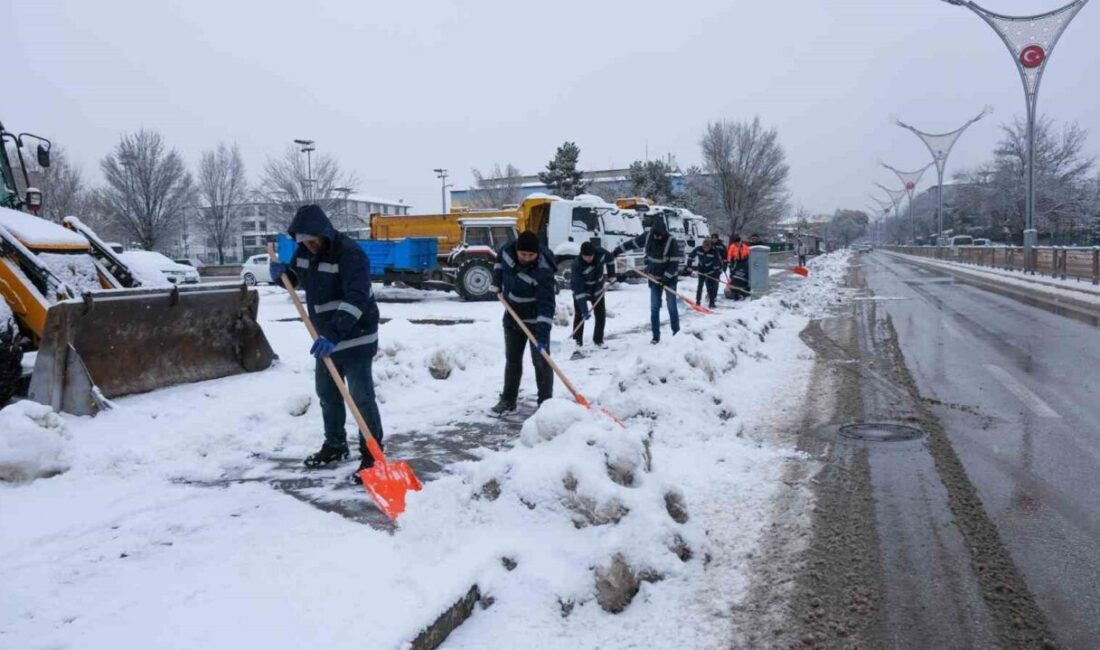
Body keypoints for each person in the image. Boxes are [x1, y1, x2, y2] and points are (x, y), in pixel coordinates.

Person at [268, 205, 383, 480]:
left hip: (356, 334)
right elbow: (300, 279)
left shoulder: (350, 253)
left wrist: (333, 333)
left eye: (312, 240)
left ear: (323, 233)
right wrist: (284, 276)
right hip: (325, 338)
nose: (308, 245)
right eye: (303, 241)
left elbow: (356, 297)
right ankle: (335, 445)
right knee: (328, 394)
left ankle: (372, 455)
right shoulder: (304, 251)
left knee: (361, 397)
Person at [490, 230, 557, 415]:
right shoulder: (506, 251)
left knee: (541, 361)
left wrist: (541, 336)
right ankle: (508, 400)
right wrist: (496, 281)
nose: (526, 258)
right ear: (516, 250)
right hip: (512, 317)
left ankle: (546, 404)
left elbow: (546, 306)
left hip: (535, 320)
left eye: (531, 255)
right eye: (523, 254)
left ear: (537, 253)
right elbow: (499, 264)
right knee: (512, 359)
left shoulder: (543, 271)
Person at [613, 218, 683, 344]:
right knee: (654, 307)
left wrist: (666, 278)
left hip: (669, 279)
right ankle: (655, 336)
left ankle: (676, 334)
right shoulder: (648, 236)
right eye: (655, 235)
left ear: (664, 233)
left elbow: (674, 264)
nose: (657, 237)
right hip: (654, 278)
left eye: (659, 236)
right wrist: (617, 251)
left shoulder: (671, 241)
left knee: (671, 306)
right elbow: (632, 243)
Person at [570, 241, 615, 348]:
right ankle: (577, 342)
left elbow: (610, 259)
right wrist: (584, 310)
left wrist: (611, 274)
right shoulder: (576, 265)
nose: (588, 259)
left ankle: (598, 340)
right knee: (579, 316)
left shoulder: (600, 253)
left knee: (600, 316)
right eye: (585, 257)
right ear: (581, 254)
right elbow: (579, 290)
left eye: (590, 256)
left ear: (594, 253)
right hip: (581, 292)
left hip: (598, 290)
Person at [685, 236, 724, 308]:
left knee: (711, 287)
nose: (705, 249)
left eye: (707, 248)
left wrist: (716, 274)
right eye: (704, 247)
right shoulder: (698, 249)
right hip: (701, 270)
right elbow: (690, 256)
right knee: (700, 286)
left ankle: (712, 303)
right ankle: (698, 302)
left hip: (711, 271)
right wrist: (689, 266)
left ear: (710, 247)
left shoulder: (714, 251)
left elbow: (717, 263)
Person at [726, 235, 752, 301]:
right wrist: (729, 262)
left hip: (744, 262)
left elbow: (749, 254)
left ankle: (744, 290)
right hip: (736, 262)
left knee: (744, 276)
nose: (738, 243)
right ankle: (735, 292)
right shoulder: (732, 246)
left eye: (739, 242)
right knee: (734, 277)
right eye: (736, 242)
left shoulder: (745, 246)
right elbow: (729, 255)